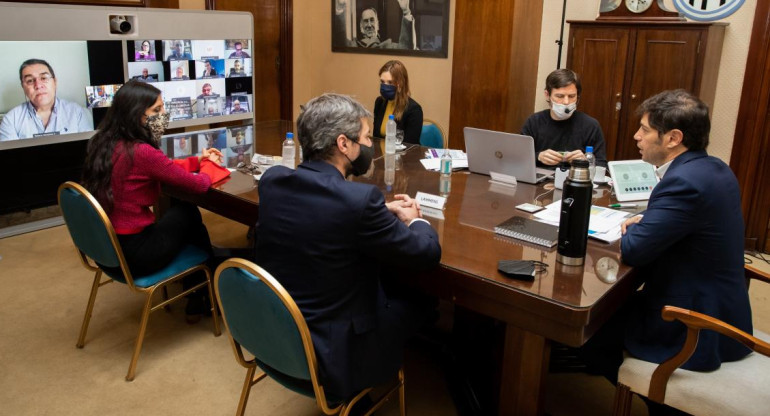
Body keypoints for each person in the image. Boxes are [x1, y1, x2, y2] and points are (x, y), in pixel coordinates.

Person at [254, 93, 441, 399]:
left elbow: (325, 207)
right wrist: (416, 220)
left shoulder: (273, 181)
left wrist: (379, 211)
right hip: (336, 351)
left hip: (279, 331)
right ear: (343, 144)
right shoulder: (359, 202)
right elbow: (427, 254)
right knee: (423, 299)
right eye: (366, 138)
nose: (369, 145)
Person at [580, 90, 752, 391]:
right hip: (724, 307)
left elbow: (634, 250)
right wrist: (648, 222)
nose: (636, 136)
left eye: (645, 130)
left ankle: (648, 396)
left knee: (591, 323)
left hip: (695, 324)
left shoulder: (684, 182)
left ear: (673, 138)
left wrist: (632, 227)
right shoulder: (714, 168)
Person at [80, 80, 226, 320]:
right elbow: (199, 185)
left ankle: (199, 290)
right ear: (136, 114)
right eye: (157, 111)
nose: (163, 115)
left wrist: (197, 162)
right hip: (135, 256)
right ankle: (205, 290)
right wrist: (209, 164)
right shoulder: (141, 152)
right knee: (187, 211)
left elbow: (163, 168)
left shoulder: (104, 142)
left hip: (106, 249)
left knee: (180, 208)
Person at [521, 69, 607, 169]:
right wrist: (538, 156)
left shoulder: (591, 125)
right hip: (540, 179)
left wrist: (585, 161)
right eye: (560, 96)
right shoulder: (534, 122)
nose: (566, 102)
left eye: (571, 96)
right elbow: (519, 157)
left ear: (577, 97)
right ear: (547, 95)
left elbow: (602, 166)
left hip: (576, 179)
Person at [0, 59, 92, 141]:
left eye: (43, 78)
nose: (38, 85)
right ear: (23, 87)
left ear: (55, 82)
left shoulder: (77, 112)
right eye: (30, 81)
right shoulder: (11, 120)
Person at [373, 60, 423, 145]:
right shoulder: (379, 102)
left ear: (400, 84)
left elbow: (410, 146)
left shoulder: (414, 109)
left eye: (390, 82)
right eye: (382, 82)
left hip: (404, 156)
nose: (385, 86)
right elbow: (376, 138)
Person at [333, 0, 415, 49]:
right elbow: (341, 43)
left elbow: (405, 48)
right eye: (365, 21)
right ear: (361, 27)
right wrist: (340, 8)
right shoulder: (353, 45)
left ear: (377, 25)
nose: (369, 25)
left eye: (372, 20)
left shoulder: (388, 46)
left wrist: (406, 11)